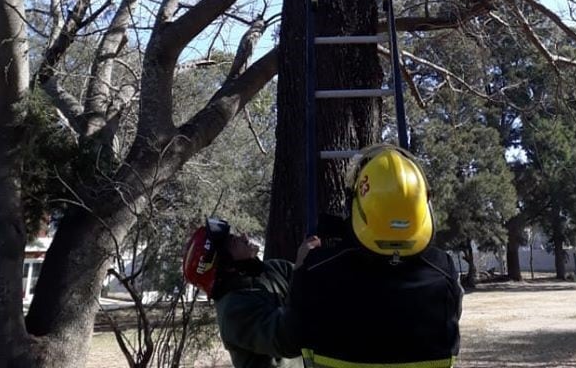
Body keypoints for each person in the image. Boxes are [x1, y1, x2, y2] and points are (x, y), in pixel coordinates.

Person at [287, 144, 463, 368]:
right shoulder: (443, 270)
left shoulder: (317, 269)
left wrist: (301, 269)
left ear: (355, 206)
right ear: (425, 205)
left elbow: (291, 335)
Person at [182, 217, 302, 368]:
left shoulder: (273, 269)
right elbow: (290, 339)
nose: (244, 236)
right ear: (226, 265)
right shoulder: (233, 311)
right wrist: (302, 275)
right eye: (233, 241)